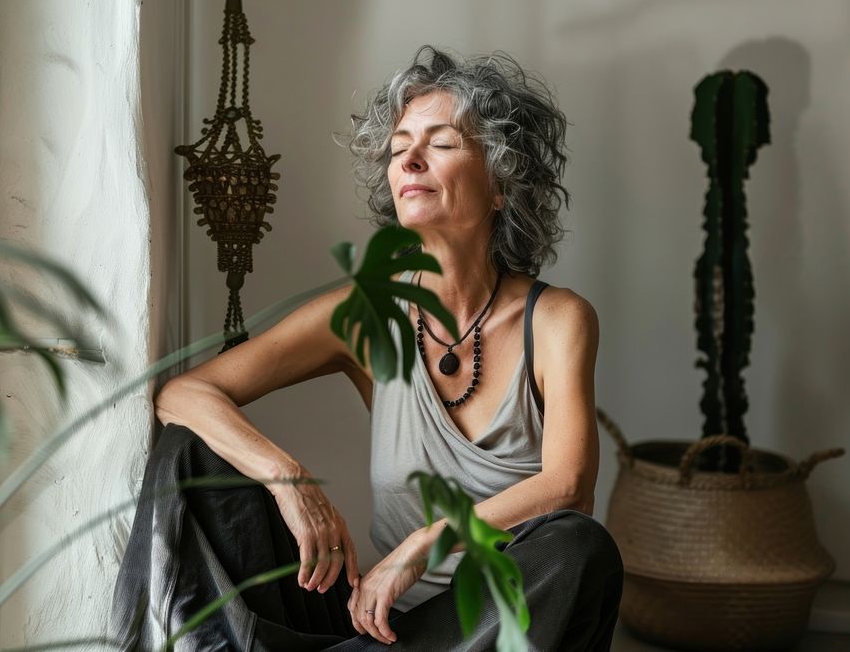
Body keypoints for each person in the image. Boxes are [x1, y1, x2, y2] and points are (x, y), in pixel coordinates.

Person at [112, 46, 622, 651]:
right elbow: (183, 393)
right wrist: (287, 478)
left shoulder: (559, 319)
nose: (409, 157)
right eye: (401, 143)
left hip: (498, 626)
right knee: (191, 455)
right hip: (374, 628)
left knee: (579, 548)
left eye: (441, 143)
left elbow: (570, 486)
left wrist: (422, 544)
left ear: (501, 186)